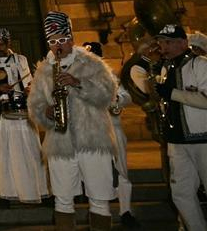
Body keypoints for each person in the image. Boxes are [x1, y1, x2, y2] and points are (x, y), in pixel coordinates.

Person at [27, 11, 116, 231]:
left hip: (93, 140)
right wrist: (44, 112)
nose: (58, 46)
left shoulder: (92, 63)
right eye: (53, 42)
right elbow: (34, 105)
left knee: (99, 198)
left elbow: (108, 94)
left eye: (63, 40)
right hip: (60, 142)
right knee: (63, 199)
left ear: (72, 39)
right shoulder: (43, 69)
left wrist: (78, 83)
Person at [0, 27, 48, 206]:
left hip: (23, 110)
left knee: (32, 150)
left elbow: (29, 81)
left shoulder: (21, 59)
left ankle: (39, 190)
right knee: (5, 153)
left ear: (9, 42)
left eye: (3, 44)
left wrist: (29, 88)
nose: (0, 48)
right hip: (2, 111)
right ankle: (7, 194)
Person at [153, 24, 207, 230]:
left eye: (168, 42)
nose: (162, 47)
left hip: (202, 138)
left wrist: (172, 93)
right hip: (176, 140)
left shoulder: (200, 64)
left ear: (183, 43)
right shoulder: (166, 68)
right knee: (181, 192)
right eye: (161, 42)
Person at [83, 41, 140, 229]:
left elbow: (126, 96)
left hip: (113, 127)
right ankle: (100, 211)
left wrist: (117, 101)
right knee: (95, 172)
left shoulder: (112, 75)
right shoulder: (79, 77)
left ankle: (125, 211)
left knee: (121, 170)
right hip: (91, 131)